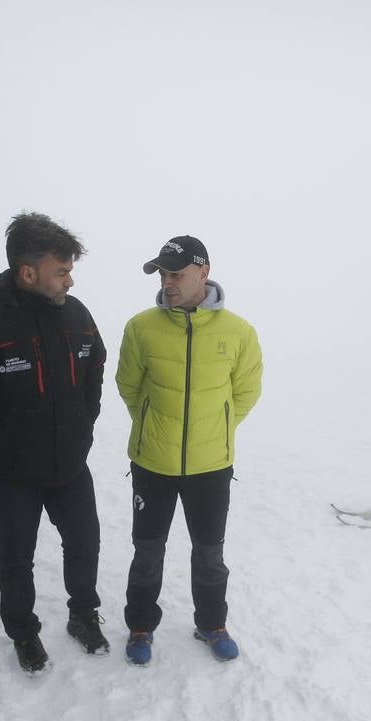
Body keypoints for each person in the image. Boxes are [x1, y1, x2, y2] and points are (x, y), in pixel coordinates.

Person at [0, 212, 108, 674]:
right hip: (13, 474)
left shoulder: (77, 314)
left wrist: (84, 421)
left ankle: (83, 615)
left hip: (70, 466)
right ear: (28, 272)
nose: (70, 280)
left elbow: (95, 365)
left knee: (85, 544)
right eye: (62, 270)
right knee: (17, 557)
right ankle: (24, 634)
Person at [114, 236, 263, 666]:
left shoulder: (239, 331)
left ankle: (212, 623)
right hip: (152, 463)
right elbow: (128, 386)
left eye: (175, 273)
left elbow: (247, 390)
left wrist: (215, 429)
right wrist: (152, 425)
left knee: (210, 553)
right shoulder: (141, 327)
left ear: (204, 271)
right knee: (147, 551)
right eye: (162, 273)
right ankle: (141, 625)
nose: (168, 281)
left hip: (211, 466)